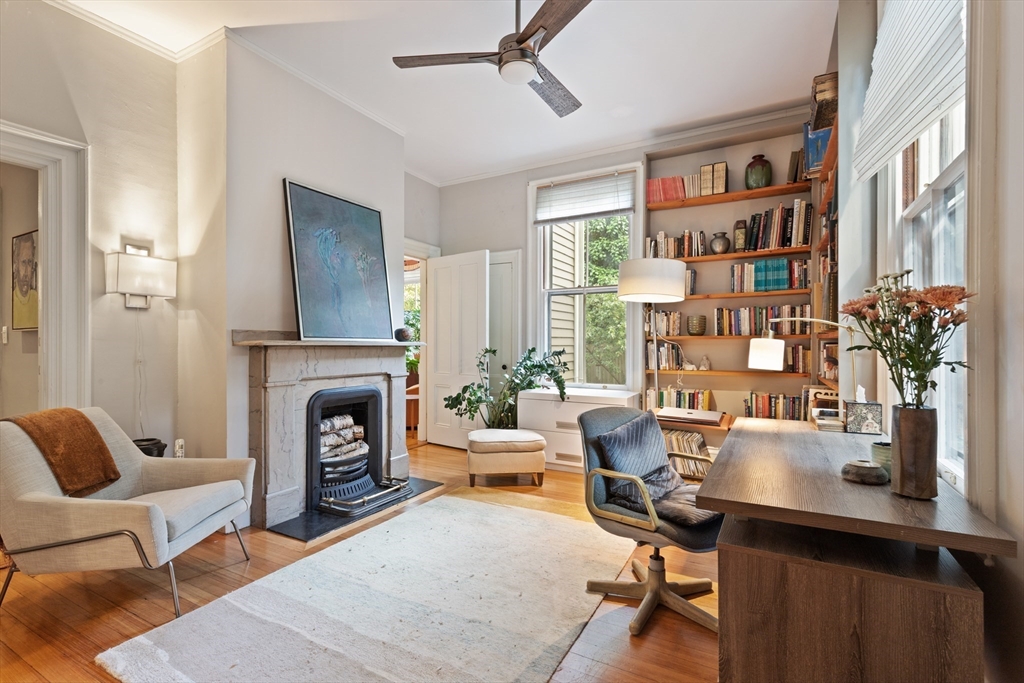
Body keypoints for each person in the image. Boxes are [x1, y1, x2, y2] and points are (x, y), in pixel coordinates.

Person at [12, 232, 37, 329]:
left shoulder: (37, 299)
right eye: (23, 263)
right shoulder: (12, 301)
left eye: (29, 262)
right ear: (16, 263)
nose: (26, 272)